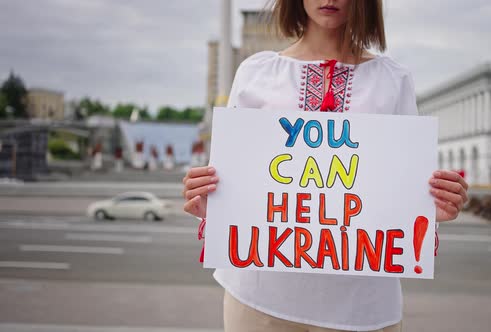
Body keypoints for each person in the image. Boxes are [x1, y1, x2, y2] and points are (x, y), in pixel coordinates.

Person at [183, 0, 469, 331]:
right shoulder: (256, 73)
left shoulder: (393, 80)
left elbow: (404, 188)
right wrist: (211, 202)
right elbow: (233, 180)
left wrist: (431, 205)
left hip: (364, 308)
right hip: (259, 299)